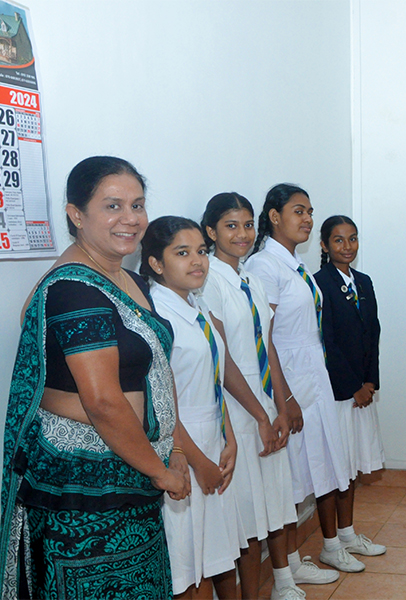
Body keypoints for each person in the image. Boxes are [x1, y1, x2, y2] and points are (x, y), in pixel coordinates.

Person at [0, 156, 190, 599]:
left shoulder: (125, 278)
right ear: (76, 215)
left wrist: (174, 445)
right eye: (112, 206)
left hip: (131, 478)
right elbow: (102, 402)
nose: (130, 219)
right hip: (87, 492)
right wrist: (160, 472)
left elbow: (155, 368)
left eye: (138, 205)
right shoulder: (72, 291)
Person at [246, 184, 379, 576]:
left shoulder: (293, 263)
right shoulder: (264, 266)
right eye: (298, 211)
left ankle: (319, 551)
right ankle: (285, 571)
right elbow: (264, 338)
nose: (307, 219)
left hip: (310, 377)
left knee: (313, 470)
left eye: (309, 212)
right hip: (288, 382)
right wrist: (285, 400)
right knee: (287, 479)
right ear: (274, 217)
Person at [200, 193, 312, 600]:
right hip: (235, 406)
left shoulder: (252, 277)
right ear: (211, 231)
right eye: (231, 226)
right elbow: (223, 358)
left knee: (266, 508)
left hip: (262, 401)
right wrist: (261, 417)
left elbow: (268, 344)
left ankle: (267, 589)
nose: (242, 234)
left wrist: (280, 405)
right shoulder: (208, 279)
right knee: (242, 515)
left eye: (248, 225)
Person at [143, 216, 244, 599]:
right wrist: (200, 461)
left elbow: (215, 382)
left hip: (214, 441)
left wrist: (229, 439)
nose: (197, 260)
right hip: (182, 449)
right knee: (188, 566)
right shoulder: (159, 316)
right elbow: (162, 401)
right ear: (155, 263)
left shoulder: (195, 307)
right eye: (182, 253)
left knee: (219, 557)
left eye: (201, 251)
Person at [314, 216, 387, 556]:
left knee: (352, 465)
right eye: (339, 240)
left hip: (362, 389)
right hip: (337, 392)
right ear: (324, 245)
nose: (347, 246)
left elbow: (373, 331)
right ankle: (330, 544)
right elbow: (325, 341)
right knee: (334, 469)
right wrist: (353, 385)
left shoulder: (364, 281)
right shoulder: (318, 284)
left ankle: (347, 534)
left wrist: (370, 380)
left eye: (353, 239)